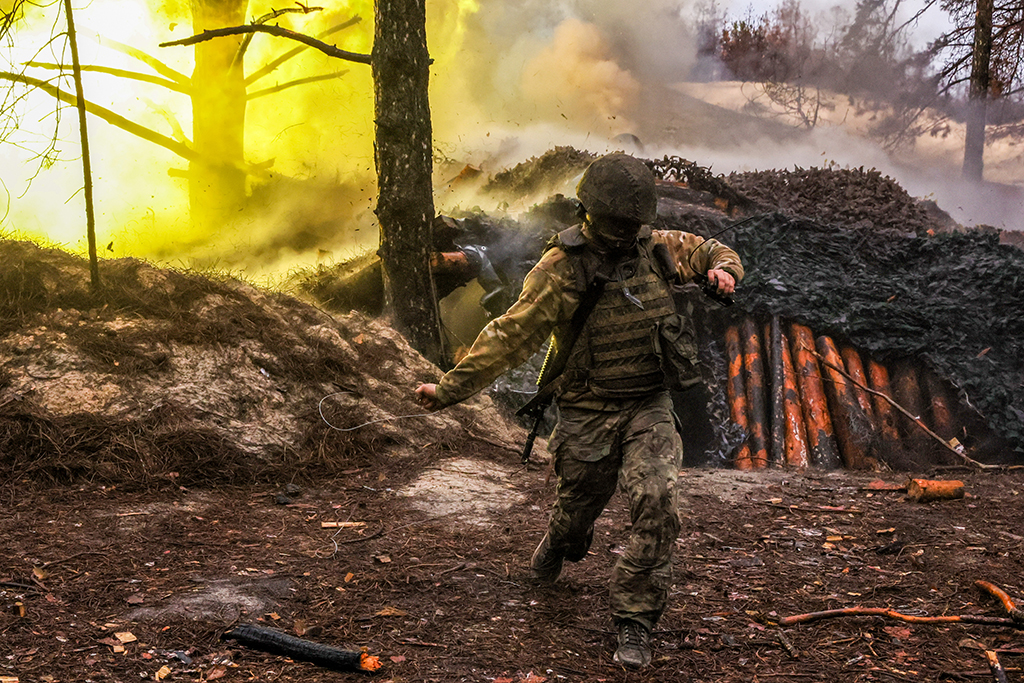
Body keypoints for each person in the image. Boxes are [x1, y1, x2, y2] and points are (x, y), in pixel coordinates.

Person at [415, 153, 743, 670]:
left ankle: (634, 618)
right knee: (578, 511)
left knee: (658, 502)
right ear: (587, 211)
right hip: (587, 408)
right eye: (615, 222)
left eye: (630, 223)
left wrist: (723, 272)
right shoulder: (561, 268)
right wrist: (449, 390)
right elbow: (510, 335)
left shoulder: (656, 247)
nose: (622, 232)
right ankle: (562, 536)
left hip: (648, 405)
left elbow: (711, 251)